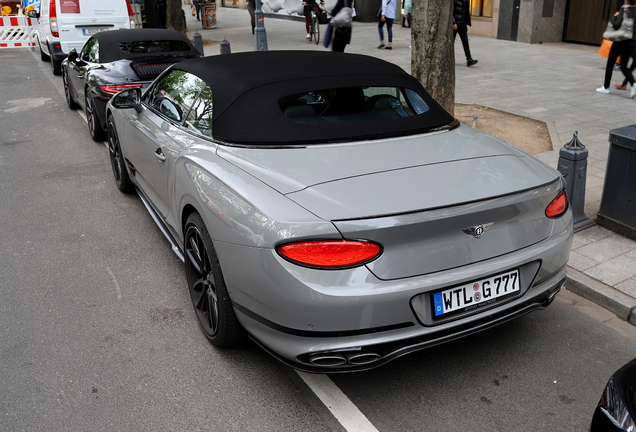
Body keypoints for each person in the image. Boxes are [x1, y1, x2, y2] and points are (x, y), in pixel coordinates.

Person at [597, 0, 636, 97]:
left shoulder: (624, 9)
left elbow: (617, 24)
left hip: (620, 41)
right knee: (624, 67)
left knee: (610, 64)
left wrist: (614, 16)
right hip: (631, 42)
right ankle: (634, 84)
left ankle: (606, 87)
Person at [453, 0, 478, 67]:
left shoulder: (466, 0)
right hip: (455, 25)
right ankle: (448, 58)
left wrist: (467, 22)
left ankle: (469, 59)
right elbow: (451, 12)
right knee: (451, 42)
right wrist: (453, 22)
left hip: (462, 24)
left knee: (465, 42)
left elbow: (466, 12)